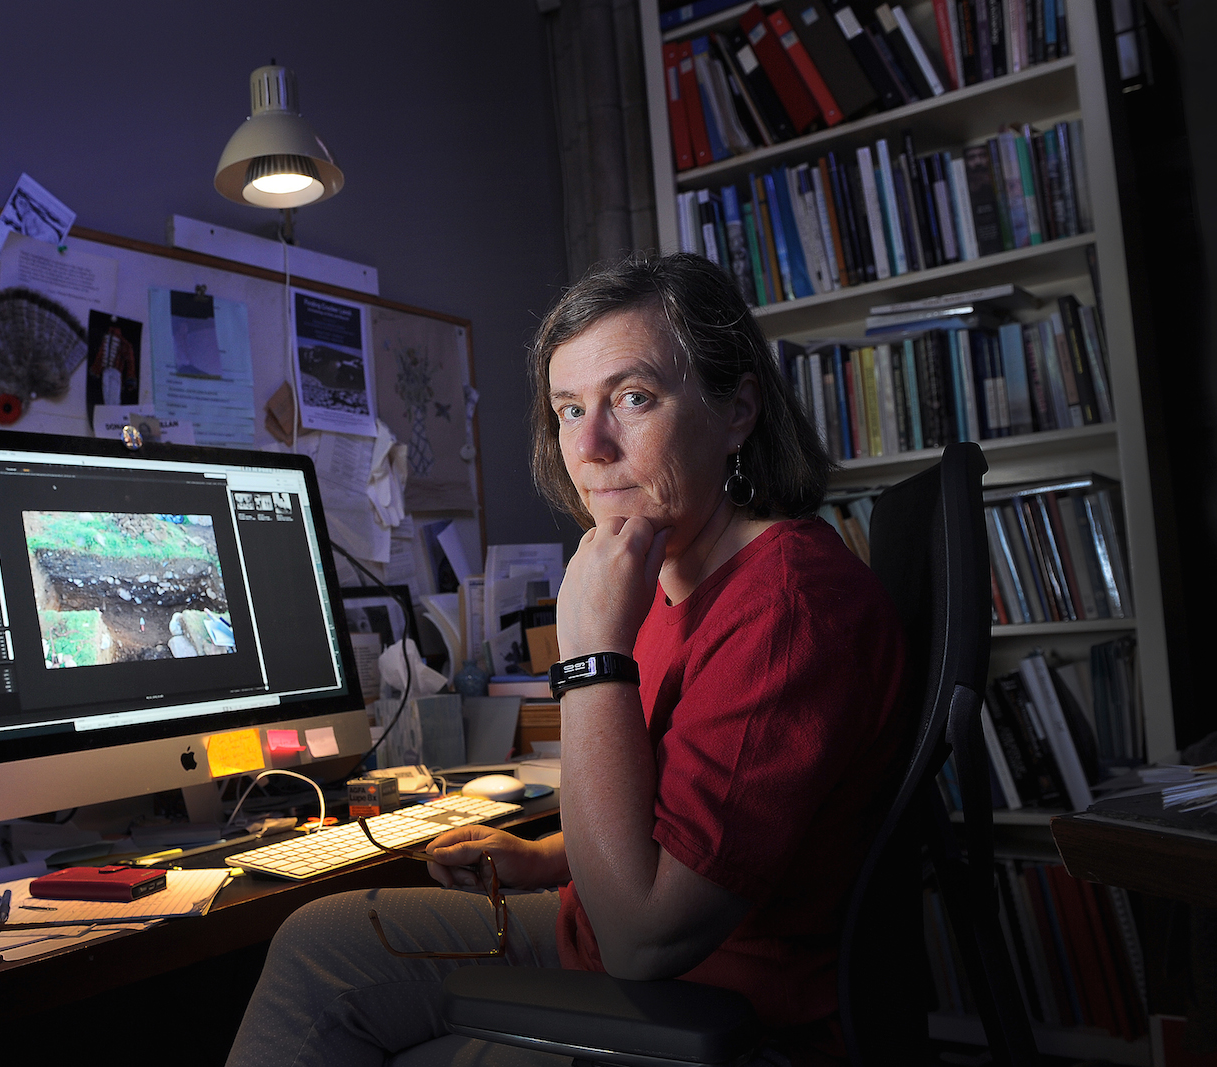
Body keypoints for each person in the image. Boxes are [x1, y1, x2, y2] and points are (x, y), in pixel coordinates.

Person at [225, 254, 907, 1067]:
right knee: (319, 938)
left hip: (711, 1006)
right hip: (606, 936)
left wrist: (591, 656)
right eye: (568, 408)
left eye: (632, 397)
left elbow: (643, 939)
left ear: (737, 410)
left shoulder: (787, 608)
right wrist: (543, 856)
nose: (589, 445)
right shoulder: (668, 570)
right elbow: (678, 815)